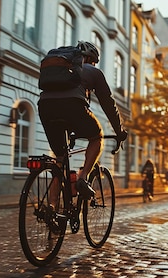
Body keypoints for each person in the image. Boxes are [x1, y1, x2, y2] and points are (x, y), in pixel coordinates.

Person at [38, 41, 128, 201]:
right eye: (93, 61)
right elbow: (108, 104)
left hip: (45, 107)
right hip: (72, 106)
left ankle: (51, 209)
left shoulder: (61, 69)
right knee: (96, 137)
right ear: (90, 59)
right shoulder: (93, 71)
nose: (93, 64)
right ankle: (82, 178)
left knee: (60, 160)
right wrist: (119, 131)